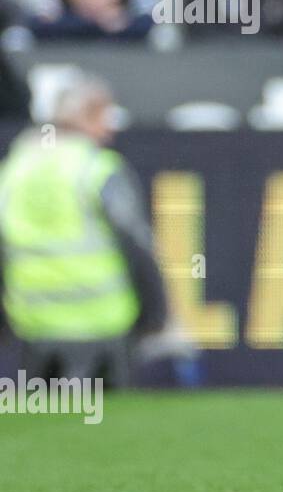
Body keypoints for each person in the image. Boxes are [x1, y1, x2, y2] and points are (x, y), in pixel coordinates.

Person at [0, 75, 168, 385]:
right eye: (106, 117)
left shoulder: (15, 169)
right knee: (106, 428)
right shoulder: (95, 168)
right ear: (88, 115)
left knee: (45, 426)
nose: (111, 129)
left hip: (34, 325)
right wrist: (156, 312)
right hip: (103, 323)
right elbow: (136, 243)